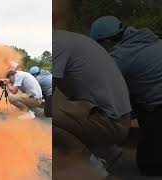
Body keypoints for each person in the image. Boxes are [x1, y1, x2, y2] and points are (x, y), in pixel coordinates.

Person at [90, 16, 162, 176]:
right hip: (153, 102)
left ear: (107, 42)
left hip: (158, 107)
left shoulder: (120, 57)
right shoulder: (149, 39)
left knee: (149, 165)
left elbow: (102, 89)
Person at [53, 30, 132, 174]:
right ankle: (106, 151)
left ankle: (90, 167)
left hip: (112, 122)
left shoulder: (56, 44)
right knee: (57, 108)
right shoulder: (68, 38)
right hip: (118, 116)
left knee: (44, 117)